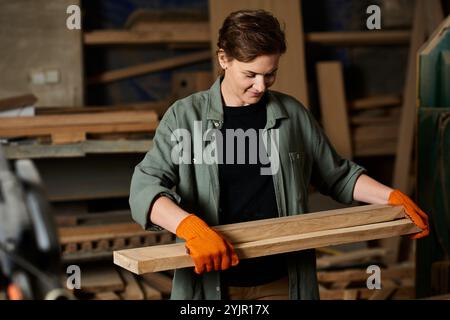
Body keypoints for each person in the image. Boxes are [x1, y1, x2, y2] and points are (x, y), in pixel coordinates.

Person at [129, 9, 429, 300]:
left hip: (283, 280)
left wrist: (390, 197)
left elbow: (337, 175)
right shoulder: (184, 117)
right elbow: (144, 188)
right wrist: (188, 227)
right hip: (211, 282)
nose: (260, 86)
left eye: (270, 74)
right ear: (224, 59)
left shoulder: (292, 114)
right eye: (251, 74)